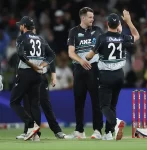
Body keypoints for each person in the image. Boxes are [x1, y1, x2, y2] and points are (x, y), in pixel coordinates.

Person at [86, 10, 140, 140]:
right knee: (112, 105)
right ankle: (109, 133)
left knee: (104, 106)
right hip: (119, 76)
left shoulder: (102, 38)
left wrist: (92, 53)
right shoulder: (122, 37)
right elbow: (136, 35)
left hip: (105, 75)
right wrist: (129, 21)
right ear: (118, 25)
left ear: (107, 23)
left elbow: (88, 57)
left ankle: (115, 124)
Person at [10, 16, 55, 141]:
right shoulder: (41, 38)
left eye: (21, 25)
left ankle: (31, 125)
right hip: (38, 76)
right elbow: (52, 55)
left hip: (26, 73)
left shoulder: (21, 37)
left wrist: (33, 65)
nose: (20, 27)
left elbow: (20, 53)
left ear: (24, 26)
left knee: (14, 102)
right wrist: (42, 65)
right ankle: (36, 135)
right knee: (35, 104)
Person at [15, 28, 66, 141]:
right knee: (29, 104)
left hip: (39, 76)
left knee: (45, 104)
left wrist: (53, 76)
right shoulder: (30, 42)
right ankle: (29, 132)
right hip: (30, 76)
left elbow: (50, 58)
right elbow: (20, 61)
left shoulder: (40, 42)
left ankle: (56, 130)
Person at [65, 7, 103, 139]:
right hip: (79, 69)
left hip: (95, 68)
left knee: (96, 101)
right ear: (83, 18)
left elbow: (103, 47)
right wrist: (81, 61)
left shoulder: (98, 30)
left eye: (93, 17)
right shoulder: (74, 32)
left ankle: (98, 130)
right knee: (79, 101)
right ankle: (79, 131)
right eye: (90, 17)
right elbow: (70, 52)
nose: (93, 19)